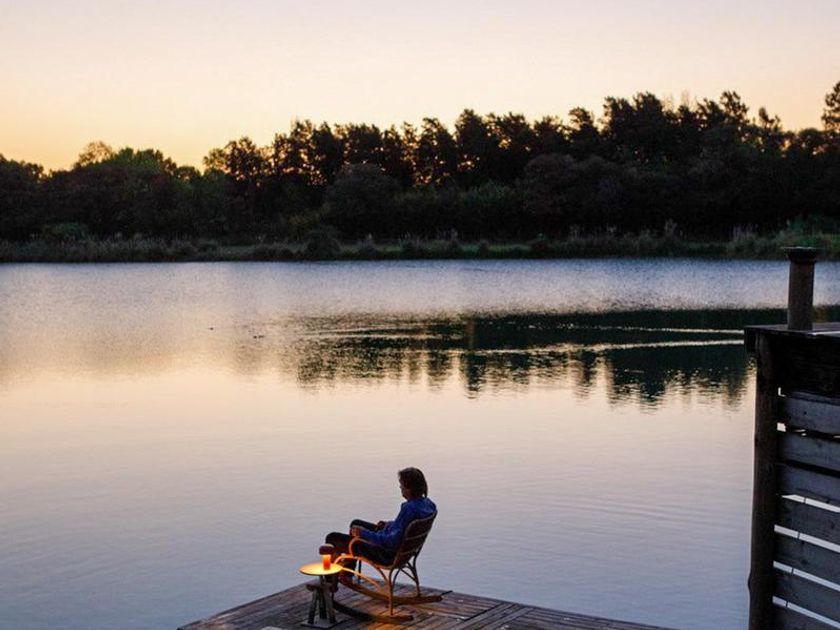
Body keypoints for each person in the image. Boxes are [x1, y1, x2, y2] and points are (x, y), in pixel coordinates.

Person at [325, 467, 436, 581]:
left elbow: (391, 542)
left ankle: (330, 582)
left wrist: (363, 534)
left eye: (402, 485)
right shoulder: (428, 505)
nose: (400, 488)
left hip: (385, 554)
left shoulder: (409, 509)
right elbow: (403, 527)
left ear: (409, 488)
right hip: (404, 552)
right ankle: (347, 573)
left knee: (332, 538)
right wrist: (388, 525)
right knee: (356, 523)